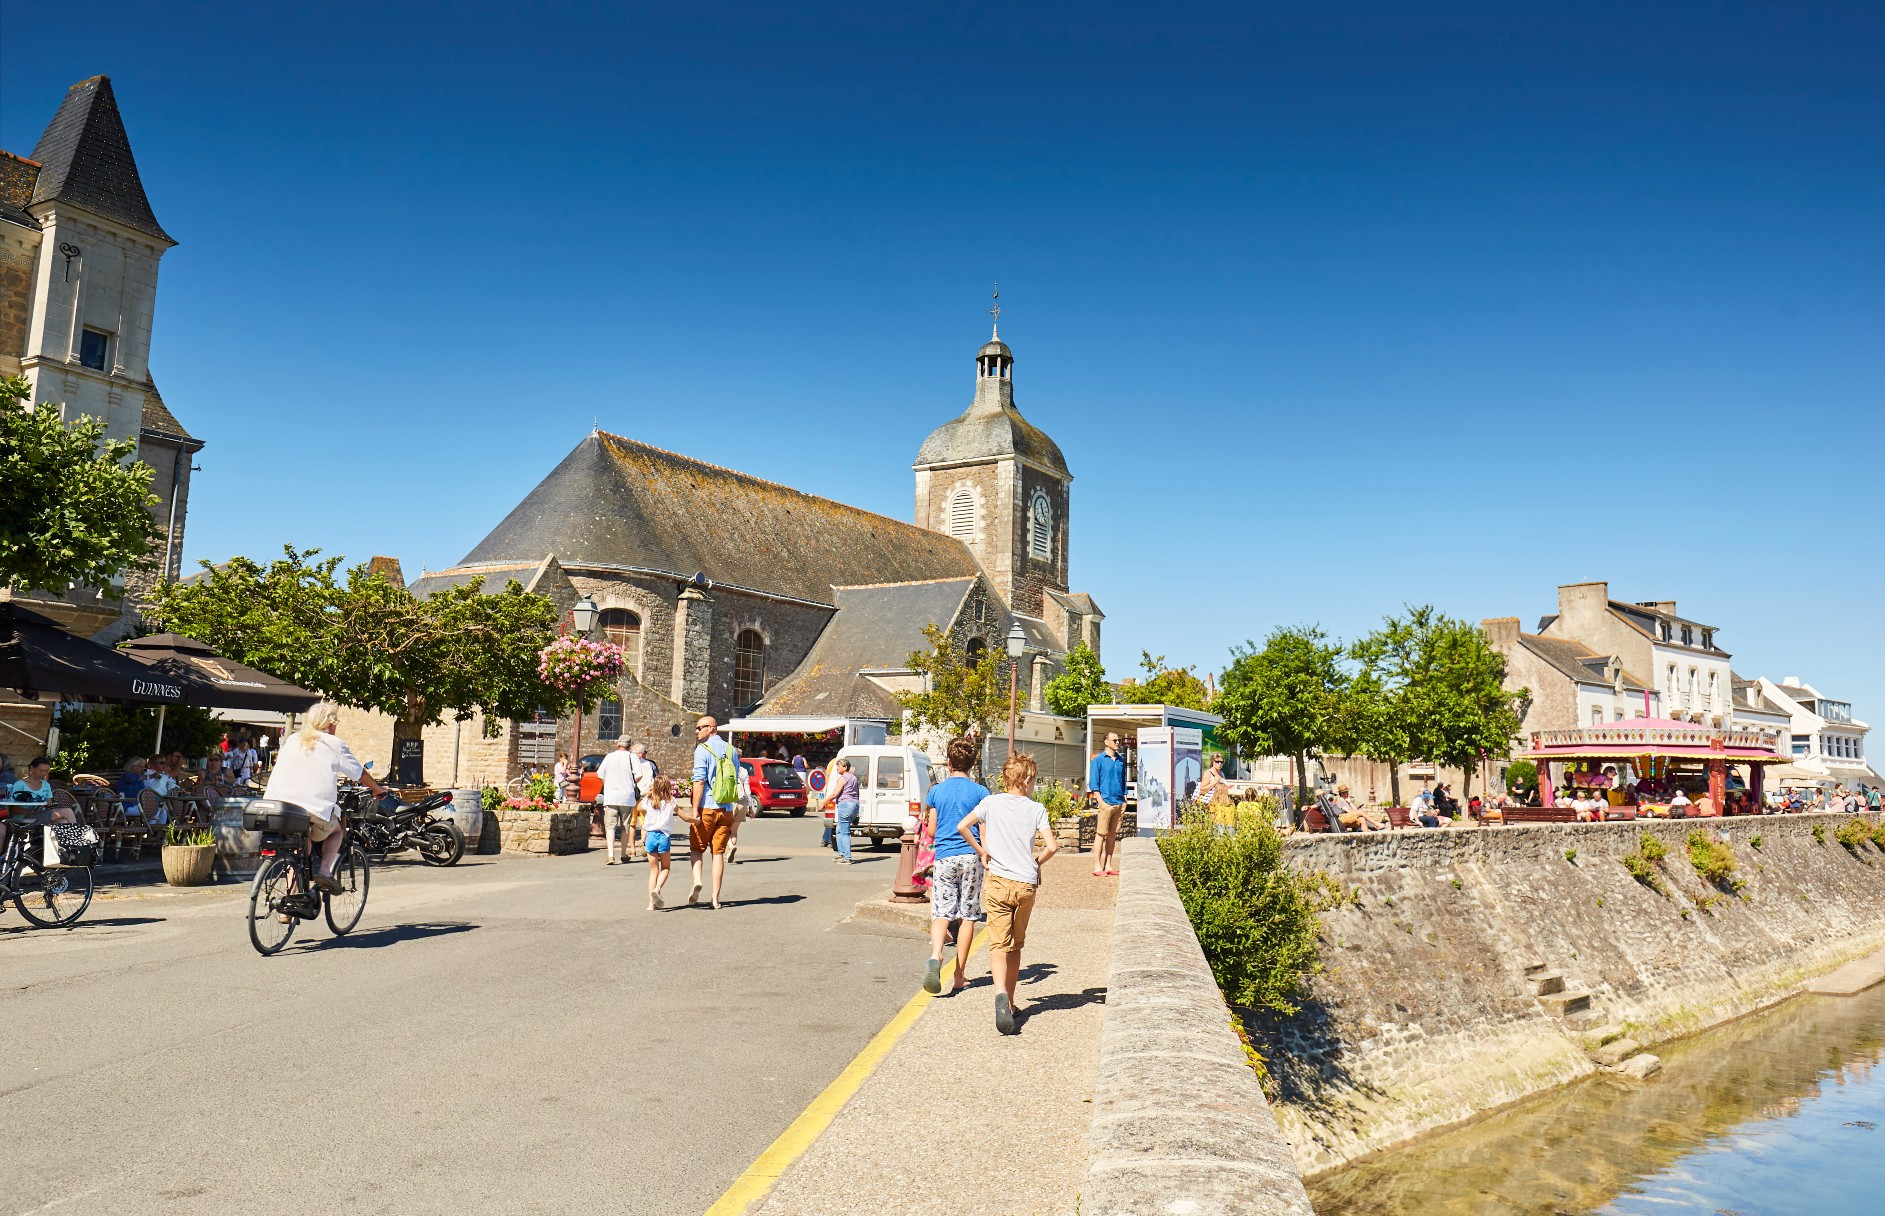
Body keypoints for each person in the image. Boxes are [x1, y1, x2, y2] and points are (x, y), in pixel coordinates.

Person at [957, 752, 1059, 1035]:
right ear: (1026, 780)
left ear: (1006, 778)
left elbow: (963, 826)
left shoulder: (990, 802)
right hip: (1025, 884)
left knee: (997, 945)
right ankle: (1011, 1003)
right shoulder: (1036, 809)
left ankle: (1000, 992)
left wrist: (982, 851)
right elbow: (1051, 846)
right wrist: (1035, 863)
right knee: (1016, 945)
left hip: (999, 881)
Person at [262, 702, 384, 892]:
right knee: (336, 830)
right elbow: (359, 773)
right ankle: (325, 871)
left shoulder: (293, 739)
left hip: (278, 806)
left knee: (301, 840)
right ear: (331, 724)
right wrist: (377, 789)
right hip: (311, 808)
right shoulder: (335, 744)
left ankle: (289, 898)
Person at [922, 736, 988, 996]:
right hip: (971, 856)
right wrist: (986, 854)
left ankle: (936, 955)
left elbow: (931, 831)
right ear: (972, 764)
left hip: (945, 857)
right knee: (967, 915)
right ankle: (959, 975)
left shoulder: (936, 791)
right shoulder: (981, 792)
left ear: (948, 763)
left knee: (941, 912)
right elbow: (984, 831)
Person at [687, 716, 740, 908]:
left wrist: (694, 809)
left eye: (699, 728)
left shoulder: (702, 750)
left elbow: (699, 780)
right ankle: (716, 898)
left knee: (696, 848)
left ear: (711, 728)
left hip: (707, 806)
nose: (697, 731)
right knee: (718, 853)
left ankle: (697, 880)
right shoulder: (731, 749)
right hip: (726, 807)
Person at [596, 737, 641, 865]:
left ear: (617, 744)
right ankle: (622, 854)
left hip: (611, 796)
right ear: (629, 746)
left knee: (610, 826)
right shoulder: (633, 757)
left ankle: (610, 855)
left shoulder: (609, 757)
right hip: (627, 796)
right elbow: (639, 776)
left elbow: (600, 775)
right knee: (625, 826)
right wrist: (629, 782)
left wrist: (608, 785)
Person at [1088, 731, 1127, 878]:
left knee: (1112, 835)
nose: (1117, 742)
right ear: (1106, 742)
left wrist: (1125, 798)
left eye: (1118, 740)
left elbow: (1123, 781)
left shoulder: (1120, 760)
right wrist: (1101, 802)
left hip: (1119, 803)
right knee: (1100, 834)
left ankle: (1108, 865)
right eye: (1115, 740)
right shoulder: (1098, 760)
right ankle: (1097, 866)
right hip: (1106, 802)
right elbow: (1093, 783)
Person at [640, 775, 679, 909]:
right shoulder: (671, 802)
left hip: (650, 836)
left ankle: (651, 904)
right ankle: (657, 889)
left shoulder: (649, 802)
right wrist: (694, 820)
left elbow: (639, 808)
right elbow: (683, 816)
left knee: (653, 871)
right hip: (663, 836)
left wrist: (649, 793)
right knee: (666, 867)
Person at [830, 758, 860, 864]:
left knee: (845, 832)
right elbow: (857, 793)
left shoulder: (843, 778)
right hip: (854, 805)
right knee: (839, 829)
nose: (837, 768)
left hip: (845, 805)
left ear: (845, 767)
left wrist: (823, 802)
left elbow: (835, 793)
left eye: (838, 766)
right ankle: (841, 853)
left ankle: (847, 857)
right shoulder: (854, 778)